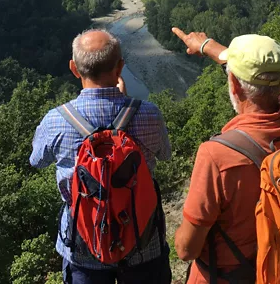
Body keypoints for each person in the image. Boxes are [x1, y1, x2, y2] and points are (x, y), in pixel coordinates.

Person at [171, 28, 280, 284]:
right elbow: (273, 87)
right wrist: (209, 46)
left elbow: (187, 250)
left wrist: (209, 47)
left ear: (234, 84)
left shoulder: (216, 155)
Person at [30, 29, 173, 284]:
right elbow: (165, 155)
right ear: (120, 68)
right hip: (143, 240)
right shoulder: (149, 114)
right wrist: (126, 101)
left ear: (74, 69)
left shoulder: (56, 121)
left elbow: (36, 161)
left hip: (84, 245)